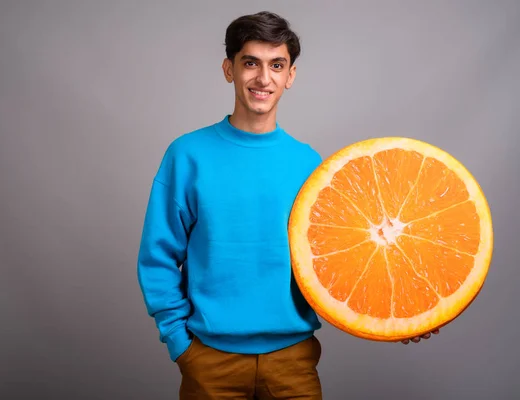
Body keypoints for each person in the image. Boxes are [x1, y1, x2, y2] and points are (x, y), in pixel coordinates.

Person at [137, 11, 436, 400]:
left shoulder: (310, 165)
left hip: (293, 361)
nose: (264, 78)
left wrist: (411, 312)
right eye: (251, 63)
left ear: (290, 75)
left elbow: (342, 259)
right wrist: (180, 342)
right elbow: (157, 256)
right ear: (229, 69)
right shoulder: (187, 155)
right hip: (209, 359)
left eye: (276, 65)